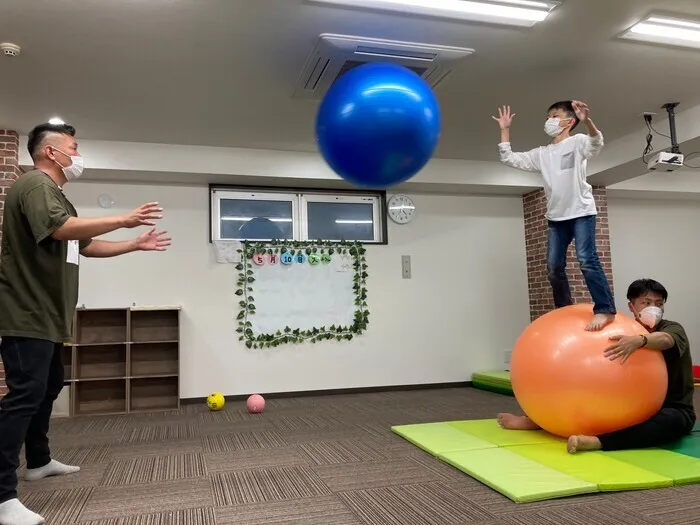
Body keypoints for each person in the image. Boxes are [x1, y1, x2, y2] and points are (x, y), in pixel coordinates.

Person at [0, 123, 172, 525]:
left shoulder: (56, 196)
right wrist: (124, 219)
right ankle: (2, 495)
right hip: (27, 312)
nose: (78, 155)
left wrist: (134, 243)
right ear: (50, 153)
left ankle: (38, 460)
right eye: (73, 148)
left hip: (48, 314)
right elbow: (63, 230)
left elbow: (84, 245)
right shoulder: (36, 187)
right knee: (24, 395)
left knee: (48, 387)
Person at [498, 278, 696, 454]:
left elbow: (666, 340)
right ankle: (541, 420)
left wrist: (640, 340)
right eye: (646, 303)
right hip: (624, 407)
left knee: (672, 422)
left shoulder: (671, 328)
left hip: (670, 408)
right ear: (632, 306)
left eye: (659, 304)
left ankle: (598, 441)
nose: (654, 308)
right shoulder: (619, 326)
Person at [493, 100, 616, 331]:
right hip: (556, 217)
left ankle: (605, 309)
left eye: (554, 115)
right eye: (547, 116)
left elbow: (596, 143)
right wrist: (505, 129)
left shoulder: (577, 142)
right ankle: (564, 309)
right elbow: (508, 158)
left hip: (581, 211)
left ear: (569, 121)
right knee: (553, 267)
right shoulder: (543, 154)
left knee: (586, 260)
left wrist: (586, 119)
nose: (548, 120)